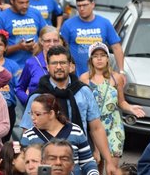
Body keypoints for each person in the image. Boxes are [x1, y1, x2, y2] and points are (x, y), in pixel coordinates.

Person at [20, 45, 117, 175]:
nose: (59, 67)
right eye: (54, 63)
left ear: (71, 66)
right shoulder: (37, 97)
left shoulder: (84, 91)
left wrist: (108, 160)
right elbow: (27, 129)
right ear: (47, 67)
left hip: (78, 155)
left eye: (63, 63)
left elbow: (96, 128)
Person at [80, 42, 145, 173]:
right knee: (95, 165)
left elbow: (121, 102)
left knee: (112, 168)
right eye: (95, 56)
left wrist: (131, 108)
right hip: (94, 125)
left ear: (108, 59)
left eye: (102, 55)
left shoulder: (117, 78)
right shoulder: (84, 79)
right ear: (90, 59)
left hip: (113, 124)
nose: (99, 59)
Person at [21, 94, 98, 175]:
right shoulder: (29, 136)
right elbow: (23, 165)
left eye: (37, 114)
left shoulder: (76, 131)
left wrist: (93, 173)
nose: (33, 117)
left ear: (51, 114)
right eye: (31, 113)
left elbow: (87, 162)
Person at [60, 0, 125, 78]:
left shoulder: (104, 23)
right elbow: (61, 48)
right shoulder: (68, 25)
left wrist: (121, 71)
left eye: (85, 5)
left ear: (93, 4)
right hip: (76, 77)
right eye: (79, 6)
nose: (82, 9)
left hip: (100, 78)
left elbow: (116, 47)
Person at [0, 0, 47, 68]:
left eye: (27, 2)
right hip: (12, 68)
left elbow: (47, 36)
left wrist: (38, 45)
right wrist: (18, 47)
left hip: (36, 65)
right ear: (12, 0)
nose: (25, 6)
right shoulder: (1, 18)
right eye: (21, 3)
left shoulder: (35, 13)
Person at [16, 26, 60, 105]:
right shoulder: (31, 63)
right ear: (41, 41)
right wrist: (30, 102)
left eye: (55, 41)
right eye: (48, 41)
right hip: (36, 113)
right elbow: (19, 89)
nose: (52, 44)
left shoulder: (65, 61)